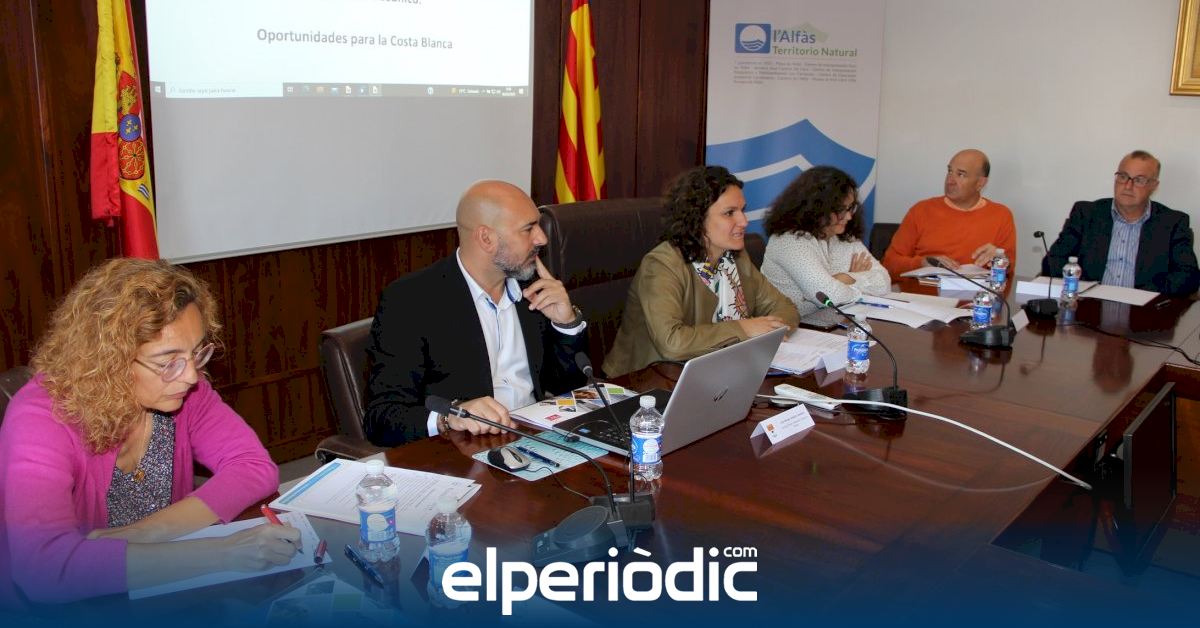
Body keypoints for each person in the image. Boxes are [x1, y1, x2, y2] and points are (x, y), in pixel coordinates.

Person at [0, 259, 290, 606]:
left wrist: (147, 532)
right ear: (109, 359)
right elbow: (45, 569)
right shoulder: (40, 418)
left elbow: (254, 465)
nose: (191, 376)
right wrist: (221, 553)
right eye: (168, 362)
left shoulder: (185, 393)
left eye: (196, 353)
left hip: (156, 588)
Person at [364, 180, 587, 446]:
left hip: (536, 439)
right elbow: (382, 418)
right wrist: (448, 418)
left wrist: (565, 325)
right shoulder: (411, 301)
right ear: (486, 238)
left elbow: (572, 391)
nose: (542, 238)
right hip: (464, 452)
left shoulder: (535, 286)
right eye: (528, 229)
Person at [602, 165, 799, 378]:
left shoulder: (735, 257)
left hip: (714, 371)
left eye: (742, 210)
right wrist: (744, 329)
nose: (744, 221)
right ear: (697, 219)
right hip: (645, 380)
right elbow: (672, 343)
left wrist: (768, 331)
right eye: (729, 213)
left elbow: (785, 308)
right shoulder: (662, 265)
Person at [1041, 150, 1199, 297]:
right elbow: (1053, 261)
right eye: (1123, 177)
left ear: (1153, 186)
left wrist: (1141, 295)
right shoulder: (1086, 213)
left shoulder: (1172, 222)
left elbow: (1188, 277)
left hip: (1144, 310)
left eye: (1139, 180)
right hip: (1089, 305)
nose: (1128, 186)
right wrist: (1082, 288)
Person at [761, 166, 891, 316]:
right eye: (841, 209)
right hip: (794, 325)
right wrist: (859, 284)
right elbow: (829, 297)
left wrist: (847, 277)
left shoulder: (843, 236)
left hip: (833, 321)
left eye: (850, 208)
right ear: (816, 207)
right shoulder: (790, 241)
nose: (849, 216)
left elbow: (885, 281)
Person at [882, 149, 1017, 277]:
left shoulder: (1001, 215)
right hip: (923, 292)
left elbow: (1008, 270)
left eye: (961, 174)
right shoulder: (921, 210)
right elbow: (889, 264)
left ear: (980, 183)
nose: (950, 180)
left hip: (976, 293)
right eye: (950, 171)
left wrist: (999, 259)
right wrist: (921, 263)